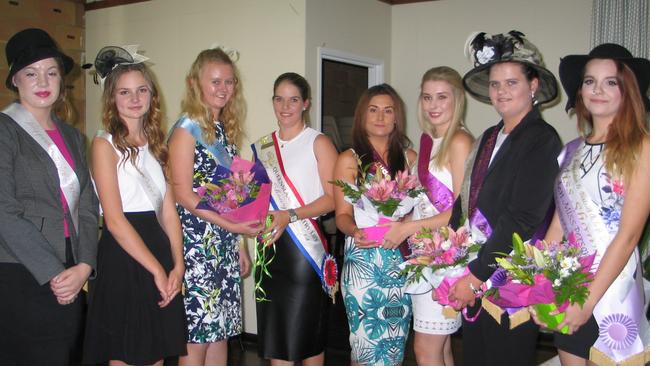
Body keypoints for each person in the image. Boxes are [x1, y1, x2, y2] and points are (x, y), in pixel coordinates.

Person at [447, 31, 563, 365]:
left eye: (511, 83)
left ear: (533, 86)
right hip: (478, 268)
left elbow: (521, 218)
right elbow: (466, 201)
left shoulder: (542, 140)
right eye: (496, 84)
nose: (501, 92)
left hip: (508, 277)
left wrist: (476, 275)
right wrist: (449, 251)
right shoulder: (488, 137)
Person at [531, 43, 650, 366]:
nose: (597, 90)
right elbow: (558, 225)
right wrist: (537, 284)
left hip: (612, 292)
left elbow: (627, 237)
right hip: (569, 283)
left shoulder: (642, 148)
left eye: (610, 82)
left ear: (628, 91)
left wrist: (587, 302)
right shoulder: (571, 151)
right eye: (589, 81)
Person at [82, 47, 187, 365]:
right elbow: (113, 220)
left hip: (159, 248)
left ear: (152, 95)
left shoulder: (158, 144)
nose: (134, 98)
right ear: (112, 98)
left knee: (154, 353)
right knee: (126, 355)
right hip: (124, 255)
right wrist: (157, 269)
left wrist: (177, 266)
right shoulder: (104, 145)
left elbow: (169, 212)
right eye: (124, 92)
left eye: (141, 90)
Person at [0, 28, 98, 366]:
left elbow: (87, 206)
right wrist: (55, 272)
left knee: (64, 353)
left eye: (51, 71)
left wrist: (85, 265)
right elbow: (4, 212)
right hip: (20, 268)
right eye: (31, 72)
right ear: (15, 80)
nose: (43, 80)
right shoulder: (4, 130)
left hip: (73, 265)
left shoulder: (74, 137)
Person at [168, 47, 261, 366]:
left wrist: (240, 245)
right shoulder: (186, 129)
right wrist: (230, 228)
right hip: (197, 246)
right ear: (195, 83)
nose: (223, 89)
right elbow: (182, 194)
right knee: (197, 339)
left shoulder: (223, 129)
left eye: (229, 82)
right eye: (215, 81)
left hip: (222, 242)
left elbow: (230, 195)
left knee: (221, 333)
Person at [383, 66, 473, 366]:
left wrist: (410, 227)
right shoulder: (426, 141)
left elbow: (461, 212)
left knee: (425, 349)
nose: (433, 105)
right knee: (440, 346)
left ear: (457, 100)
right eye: (427, 97)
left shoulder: (459, 141)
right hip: (426, 253)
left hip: (446, 258)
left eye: (441, 97)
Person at [252, 72, 338, 366]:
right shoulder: (262, 147)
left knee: (308, 337)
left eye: (293, 99)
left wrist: (289, 215)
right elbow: (257, 201)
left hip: (305, 254)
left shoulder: (319, 142)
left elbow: (332, 199)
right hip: (270, 250)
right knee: (278, 339)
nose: (285, 106)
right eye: (279, 98)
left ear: (305, 103)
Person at [333, 83, 416, 366]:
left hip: (400, 261)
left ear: (396, 117)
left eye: (388, 110)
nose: (380, 117)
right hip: (363, 262)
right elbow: (342, 215)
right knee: (364, 345)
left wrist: (406, 221)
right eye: (373, 110)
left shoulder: (409, 158)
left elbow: (422, 211)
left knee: (395, 344)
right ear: (362, 116)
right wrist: (355, 230)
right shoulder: (349, 159)